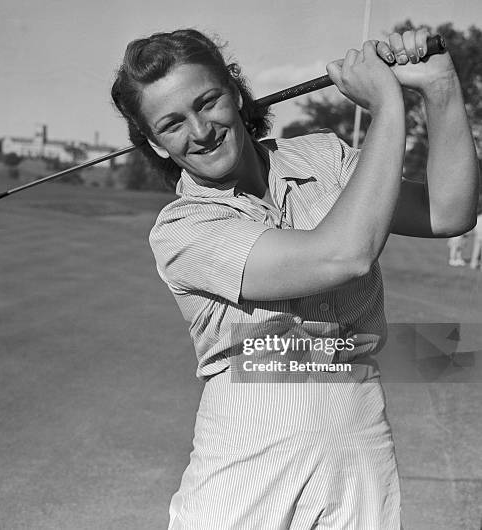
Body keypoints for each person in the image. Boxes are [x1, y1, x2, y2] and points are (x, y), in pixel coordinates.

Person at [111, 28, 479, 529]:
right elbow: (342, 257)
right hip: (251, 454)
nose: (199, 131)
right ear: (154, 144)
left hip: (359, 432)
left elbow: (451, 210)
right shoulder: (183, 231)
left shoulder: (322, 159)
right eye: (172, 124)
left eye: (208, 101)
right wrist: (388, 108)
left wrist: (440, 88)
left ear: (236, 94)